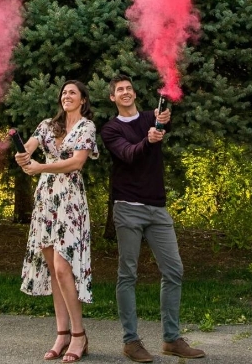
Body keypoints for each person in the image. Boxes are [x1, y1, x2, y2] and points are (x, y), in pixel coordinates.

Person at [101, 74, 206, 362]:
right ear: (112, 97)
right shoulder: (110, 130)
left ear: (134, 93)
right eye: (119, 90)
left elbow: (162, 122)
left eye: (129, 88)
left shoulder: (151, 115)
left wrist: (163, 120)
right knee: (128, 274)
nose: (125, 92)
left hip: (157, 209)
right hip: (128, 208)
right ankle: (131, 341)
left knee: (174, 270)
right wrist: (149, 139)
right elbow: (129, 154)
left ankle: (171, 339)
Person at [15, 80, 98, 363]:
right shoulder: (48, 124)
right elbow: (29, 146)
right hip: (46, 200)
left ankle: (79, 335)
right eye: (63, 92)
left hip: (70, 200)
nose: (66, 96)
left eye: (72, 92)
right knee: (53, 268)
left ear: (83, 100)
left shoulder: (86, 127)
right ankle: (62, 334)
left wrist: (40, 167)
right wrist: (22, 154)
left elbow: (76, 163)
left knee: (64, 267)